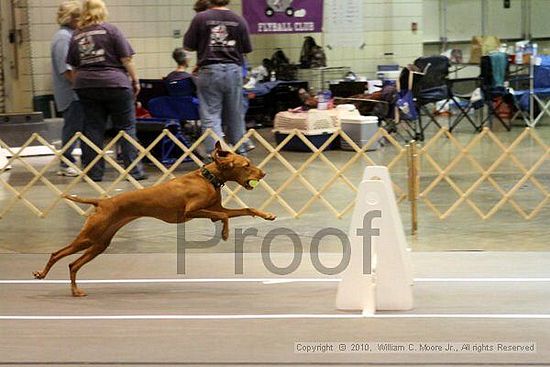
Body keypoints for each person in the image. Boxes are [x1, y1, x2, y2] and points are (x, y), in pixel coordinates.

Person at [66, 0, 146, 182]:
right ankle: (134, 171)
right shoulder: (111, 30)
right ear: (102, 11)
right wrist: (135, 80)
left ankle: (94, 173)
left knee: (93, 128)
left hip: (86, 85)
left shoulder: (76, 35)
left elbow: (73, 64)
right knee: (126, 127)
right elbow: (126, 58)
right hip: (115, 83)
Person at [183, 0, 254, 154]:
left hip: (209, 70)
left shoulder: (201, 18)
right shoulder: (239, 19)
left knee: (210, 115)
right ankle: (241, 150)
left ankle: (218, 154)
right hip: (234, 70)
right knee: (235, 113)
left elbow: (188, 45)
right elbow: (247, 48)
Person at [51, 0, 84, 177]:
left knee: (76, 127)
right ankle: (66, 162)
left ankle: (70, 160)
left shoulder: (69, 34)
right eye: (78, 17)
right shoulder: (64, 38)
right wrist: (81, 87)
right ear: (71, 18)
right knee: (72, 128)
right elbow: (67, 70)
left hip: (74, 92)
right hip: (71, 94)